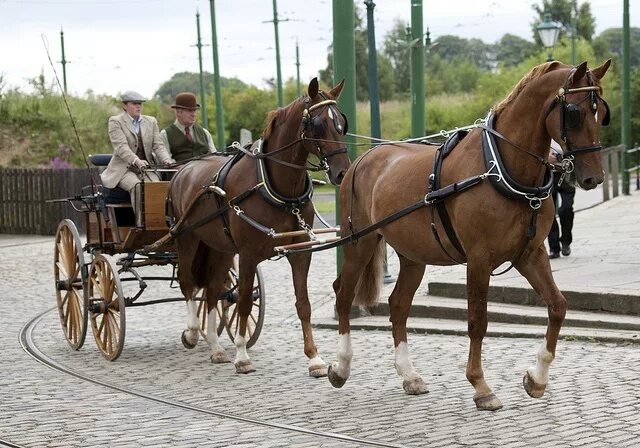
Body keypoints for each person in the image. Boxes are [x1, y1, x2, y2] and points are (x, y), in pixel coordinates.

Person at [100, 90, 175, 223]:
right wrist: (136, 160)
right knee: (137, 187)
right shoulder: (115, 121)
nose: (138, 106)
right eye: (134, 103)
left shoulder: (151, 121)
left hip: (146, 169)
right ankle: (143, 225)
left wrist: (166, 160)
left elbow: (158, 146)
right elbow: (121, 147)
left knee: (157, 187)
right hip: (124, 169)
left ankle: (160, 224)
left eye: (140, 103)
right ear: (125, 106)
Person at [160, 92, 216, 162]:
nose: (194, 114)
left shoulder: (205, 133)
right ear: (178, 112)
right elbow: (167, 162)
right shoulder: (165, 135)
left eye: (195, 110)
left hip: (206, 171)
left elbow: (215, 157)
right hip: (181, 172)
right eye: (190, 111)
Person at [547, 141, 576, 259]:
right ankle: (554, 248)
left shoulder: (566, 131)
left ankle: (566, 241)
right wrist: (546, 156)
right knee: (549, 213)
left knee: (566, 208)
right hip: (547, 175)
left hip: (566, 174)